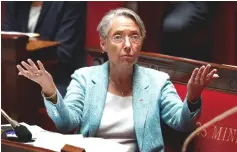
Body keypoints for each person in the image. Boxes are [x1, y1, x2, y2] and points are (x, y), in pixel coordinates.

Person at [16, 8, 219, 152]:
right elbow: (66, 123)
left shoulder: (158, 81)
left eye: (135, 37)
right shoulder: (84, 78)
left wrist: (192, 98)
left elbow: (181, 123)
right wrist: (50, 90)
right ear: (103, 44)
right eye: (118, 37)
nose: (128, 45)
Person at [3, 1, 87, 97]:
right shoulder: (13, 3)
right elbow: (7, 45)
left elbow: (64, 53)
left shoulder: (71, 3)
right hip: (16, 75)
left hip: (59, 76)